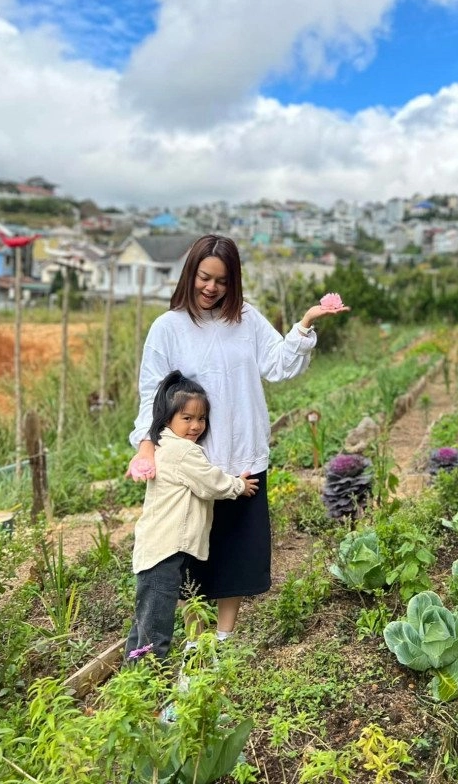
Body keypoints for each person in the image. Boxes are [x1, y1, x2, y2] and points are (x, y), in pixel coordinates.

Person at [126, 234, 349, 643]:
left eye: (222, 281)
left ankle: (222, 642)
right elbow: (151, 394)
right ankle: (196, 645)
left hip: (244, 455)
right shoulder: (168, 328)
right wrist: (145, 446)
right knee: (188, 556)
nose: (211, 288)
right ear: (190, 273)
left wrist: (305, 323)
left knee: (234, 556)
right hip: (194, 465)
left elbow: (279, 365)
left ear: (234, 283)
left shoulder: (246, 319)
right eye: (204, 277)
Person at [124, 370, 259, 661]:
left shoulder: (163, 445)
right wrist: (239, 485)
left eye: (201, 419)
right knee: (155, 629)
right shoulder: (183, 452)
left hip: (157, 548)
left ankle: (133, 682)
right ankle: (145, 690)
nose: (196, 426)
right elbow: (211, 482)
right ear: (167, 417)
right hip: (164, 550)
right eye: (187, 418)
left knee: (145, 625)